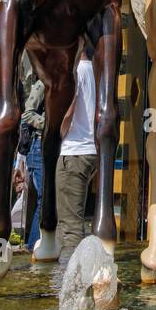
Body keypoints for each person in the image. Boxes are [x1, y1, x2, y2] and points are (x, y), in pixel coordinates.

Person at [56, 43, 97, 262]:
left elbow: (68, 109)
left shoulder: (77, 72)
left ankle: (72, 283)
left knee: (69, 226)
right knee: (78, 220)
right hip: (91, 150)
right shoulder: (97, 71)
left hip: (74, 151)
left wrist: (56, 133)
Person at [18, 53, 45, 250]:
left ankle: (36, 244)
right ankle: (33, 245)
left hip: (47, 148)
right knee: (44, 199)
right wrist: (49, 124)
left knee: (46, 200)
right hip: (38, 146)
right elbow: (27, 114)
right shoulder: (42, 83)